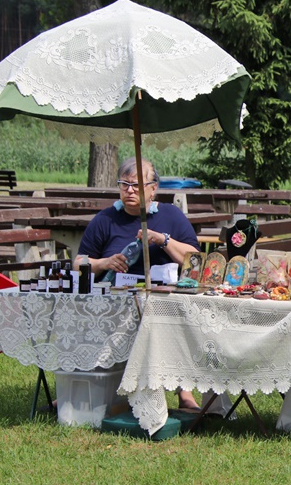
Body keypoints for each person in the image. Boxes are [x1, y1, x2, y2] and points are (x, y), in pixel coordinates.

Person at [74, 157, 202, 411]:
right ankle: (80, 387)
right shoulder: (106, 219)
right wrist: (104, 263)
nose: (130, 190)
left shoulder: (171, 216)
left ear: (153, 188)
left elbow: (195, 261)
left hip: (163, 298)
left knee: (169, 314)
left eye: (136, 185)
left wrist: (163, 240)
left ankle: (184, 392)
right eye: (124, 185)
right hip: (116, 301)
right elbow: (78, 263)